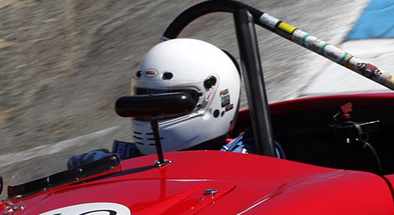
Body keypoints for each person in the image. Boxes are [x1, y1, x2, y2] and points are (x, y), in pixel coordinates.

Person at [69, 38, 281, 168]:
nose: (152, 112)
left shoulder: (254, 157)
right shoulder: (126, 161)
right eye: (144, 98)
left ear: (215, 100)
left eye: (168, 104)